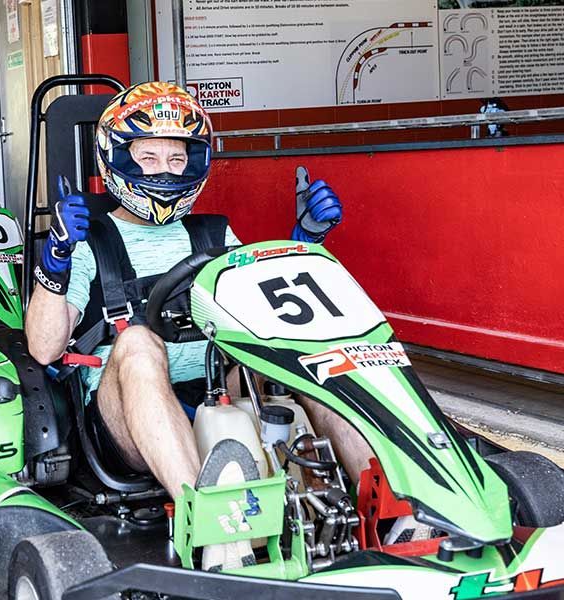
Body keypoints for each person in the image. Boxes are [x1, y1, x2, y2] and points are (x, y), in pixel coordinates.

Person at [25, 82, 344, 567]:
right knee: (135, 341)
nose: (164, 171)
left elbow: (265, 314)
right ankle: (216, 531)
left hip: (218, 394)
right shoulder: (89, 239)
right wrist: (57, 257)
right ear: (119, 159)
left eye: (177, 160)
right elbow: (45, 349)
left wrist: (305, 249)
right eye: (148, 158)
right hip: (123, 423)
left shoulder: (214, 233)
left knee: (311, 348)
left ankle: (395, 500)